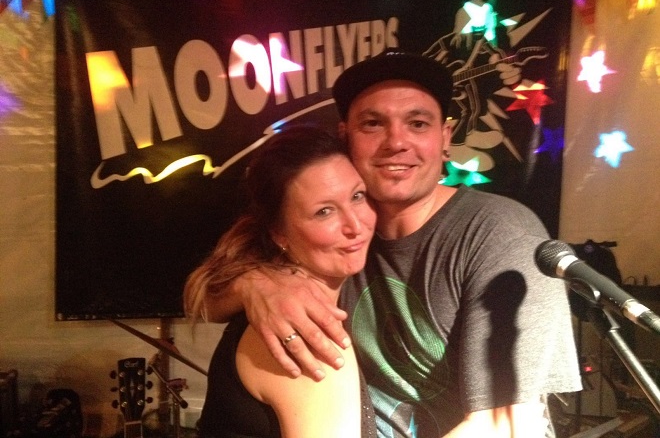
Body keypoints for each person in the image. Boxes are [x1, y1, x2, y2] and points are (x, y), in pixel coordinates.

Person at [200, 48, 582, 437]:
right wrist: (256, 286)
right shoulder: (344, 241)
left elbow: (508, 426)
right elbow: (203, 299)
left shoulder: (499, 233)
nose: (397, 142)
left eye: (418, 123)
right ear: (346, 138)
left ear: (445, 138)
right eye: (373, 124)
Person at [183, 125, 378, 437]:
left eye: (357, 196)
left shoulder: (282, 298)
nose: (356, 225)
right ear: (279, 235)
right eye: (324, 212)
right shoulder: (305, 334)